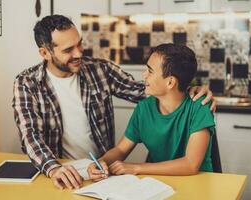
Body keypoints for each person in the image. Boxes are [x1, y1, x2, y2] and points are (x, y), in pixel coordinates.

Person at [12, 15, 215, 190]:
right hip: (62, 169)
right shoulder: (27, 84)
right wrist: (54, 167)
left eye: (79, 44)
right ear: (45, 53)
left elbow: (147, 90)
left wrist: (188, 87)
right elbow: (30, 136)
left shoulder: (99, 69)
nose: (79, 53)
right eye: (68, 50)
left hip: (101, 171)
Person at [87, 43, 216, 182]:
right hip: (158, 183)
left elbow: (190, 165)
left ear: (170, 82)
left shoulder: (199, 106)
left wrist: (137, 168)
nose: (144, 74)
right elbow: (121, 150)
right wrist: (100, 162)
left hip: (197, 183)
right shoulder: (143, 108)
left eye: (150, 71)